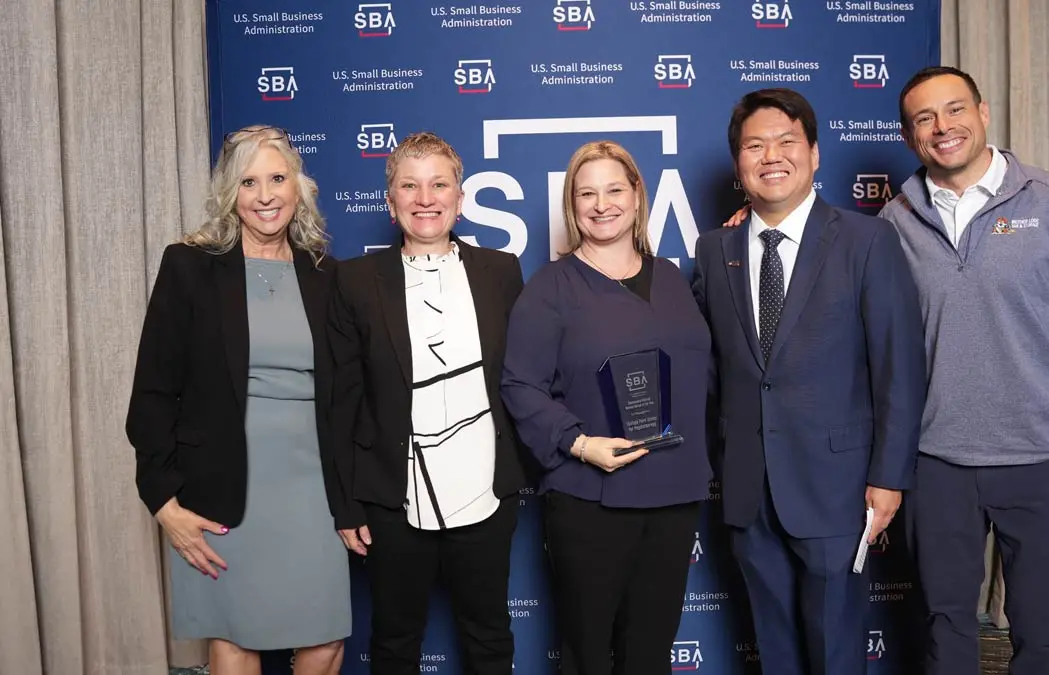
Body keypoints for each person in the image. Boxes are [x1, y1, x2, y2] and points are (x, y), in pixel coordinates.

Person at [878, 66, 1049, 675]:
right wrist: (754, 225)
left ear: (983, 112)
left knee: (1044, 638)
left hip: (1045, 461)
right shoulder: (894, 221)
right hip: (935, 464)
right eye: (924, 118)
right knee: (943, 635)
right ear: (909, 135)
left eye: (955, 109)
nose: (943, 127)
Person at [692, 88, 926, 675]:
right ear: (739, 163)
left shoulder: (867, 241)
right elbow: (711, 366)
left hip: (837, 489)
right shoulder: (715, 249)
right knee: (773, 647)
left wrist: (888, 478)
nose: (771, 156)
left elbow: (899, 368)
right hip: (749, 489)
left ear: (815, 154)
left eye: (786, 141)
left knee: (835, 648)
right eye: (755, 146)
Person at [126, 124, 349, 675]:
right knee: (235, 641)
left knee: (325, 642)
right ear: (230, 193)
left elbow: (349, 392)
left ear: (299, 187)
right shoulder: (190, 266)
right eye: (249, 182)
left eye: (277, 178)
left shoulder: (325, 274)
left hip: (313, 489)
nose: (265, 195)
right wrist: (163, 502)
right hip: (220, 491)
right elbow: (152, 391)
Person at [501, 140, 712, 675]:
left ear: (637, 196)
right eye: (586, 193)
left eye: (614, 189)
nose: (602, 205)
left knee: (650, 655)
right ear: (571, 205)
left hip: (674, 495)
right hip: (591, 500)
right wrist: (578, 443)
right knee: (588, 656)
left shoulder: (671, 277)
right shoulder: (550, 287)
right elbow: (519, 384)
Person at [326, 131, 527, 675]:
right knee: (395, 641)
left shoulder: (501, 272)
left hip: (486, 491)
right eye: (409, 186)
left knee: (489, 635)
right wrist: (346, 505)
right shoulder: (354, 280)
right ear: (390, 202)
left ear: (460, 199)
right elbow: (342, 400)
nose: (425, 198)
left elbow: (523, 378)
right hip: (392, 496)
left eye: (439, 185)